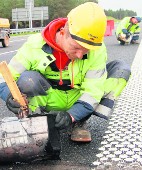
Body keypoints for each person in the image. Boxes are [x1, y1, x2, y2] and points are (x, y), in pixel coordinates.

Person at [0, 2, 131, 143]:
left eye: (86, 50)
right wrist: (9, 96)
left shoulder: (97, 50)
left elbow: (93, 92)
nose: (80, 55)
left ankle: (78, 121)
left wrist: (71, 115)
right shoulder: (35, 46)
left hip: (78, 98)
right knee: (28, 80)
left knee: (120, 70)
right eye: (76, 47)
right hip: (48, 98)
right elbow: (3, 78)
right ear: (63, 32)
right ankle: (37, 120)